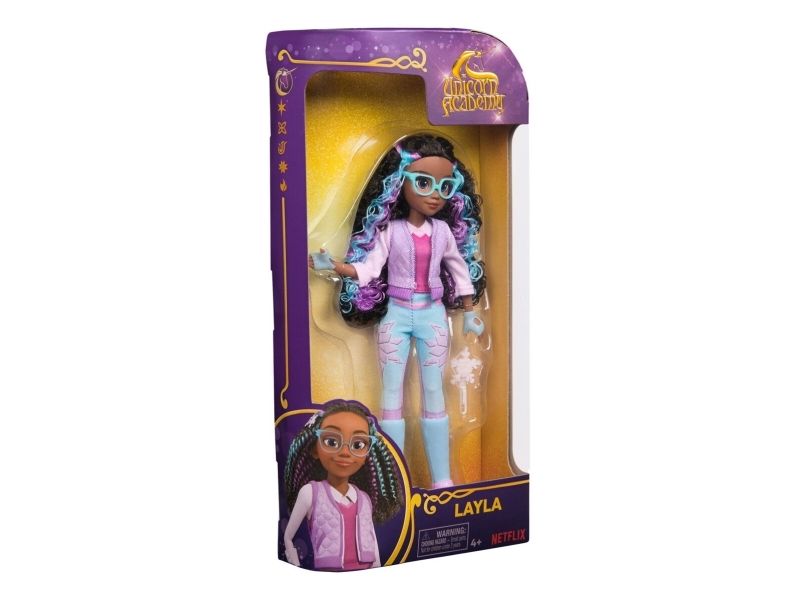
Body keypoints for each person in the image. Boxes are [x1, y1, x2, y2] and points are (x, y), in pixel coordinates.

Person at [309, 134, 486, 489]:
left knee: (434, 391)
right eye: (423, 182)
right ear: (399, 182)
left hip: (433, 315)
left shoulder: (443, 232)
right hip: (396, 315)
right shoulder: (391, 231)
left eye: (445, 186)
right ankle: (396, 481)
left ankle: (442, 478)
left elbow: (460, 271)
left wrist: (469, 312)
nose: (434, 194)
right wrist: (335, 267)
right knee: (391, 394)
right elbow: (369, 269)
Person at [283, 400, 402, 570]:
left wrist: (377, 567)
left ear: (367, 454)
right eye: (331, 441)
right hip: (328, 572)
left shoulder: (364, 499)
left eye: (358, 444)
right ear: (315, 449)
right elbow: (288, 536)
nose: (345, 452)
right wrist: (295, 564)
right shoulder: (311, 493)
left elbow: (372, 540)